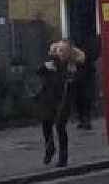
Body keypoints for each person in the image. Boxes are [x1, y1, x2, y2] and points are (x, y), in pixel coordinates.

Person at [36, 39, 85, 167]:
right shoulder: (52, 63)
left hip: (64, 100)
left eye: (63, 50)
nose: (60, 52)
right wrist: (46, 66)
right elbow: (39, 71)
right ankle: (50, 147)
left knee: (59, 125)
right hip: (49, 99)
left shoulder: (73, 66)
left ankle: (63, 157)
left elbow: (76, 81)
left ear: (69, 52)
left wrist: (72, 75)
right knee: (46, 123)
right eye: (59, 50)